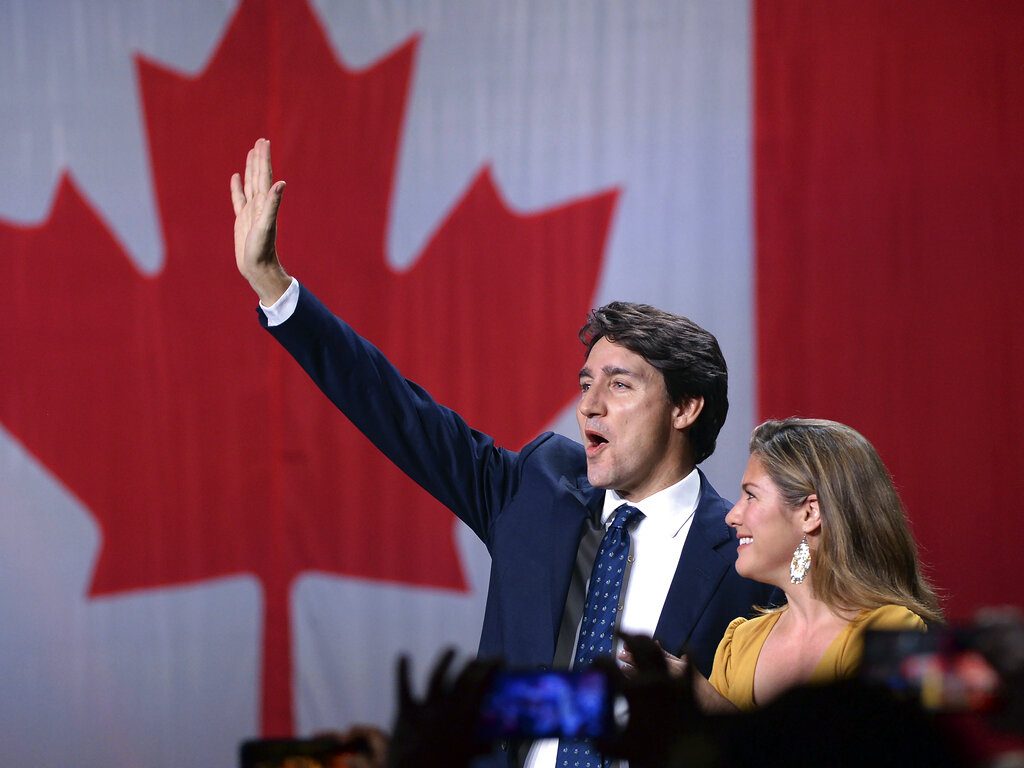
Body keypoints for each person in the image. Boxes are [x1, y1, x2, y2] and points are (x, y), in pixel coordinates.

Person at [230, 138, 777, 767]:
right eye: (585, 382)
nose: (589, 404)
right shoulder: (538, 489)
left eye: (619, 384)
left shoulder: (746, 550)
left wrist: (705, 705)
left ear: (686, 409)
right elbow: (397, 412)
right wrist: (275, 288)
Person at [627, 418, 943, 713]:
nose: (732, 516)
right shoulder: (739, 642)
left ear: (810, 513)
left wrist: (715, 708)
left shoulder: (892, 632)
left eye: (751, 496)